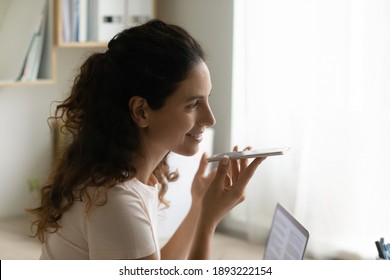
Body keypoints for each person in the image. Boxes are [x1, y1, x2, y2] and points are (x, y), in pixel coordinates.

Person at [28, 19, 266, 260]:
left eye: (207, 99)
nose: (210, 118)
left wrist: (198, 207)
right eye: (194, 104)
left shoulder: (124, 180)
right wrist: (207, 222)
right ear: (141, 111)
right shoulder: (116, 202)